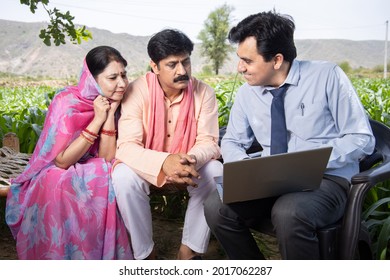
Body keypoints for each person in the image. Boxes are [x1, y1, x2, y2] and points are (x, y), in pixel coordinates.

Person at [204, 11, 376, 260]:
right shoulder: (246, 94)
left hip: (325, 180)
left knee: (289, 212)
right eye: (239, 59)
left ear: (276, 60)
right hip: (268, 180)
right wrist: (244, 168)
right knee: (215, 207)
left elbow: (361, 138)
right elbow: (232, 140)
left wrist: (307, 162)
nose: (240, 68)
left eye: (247, 61)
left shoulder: (327, 77)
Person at [5, 46, 133, 260]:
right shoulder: (66, 101)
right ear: (92, 79)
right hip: (55, 165)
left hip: (95, 165)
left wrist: (110, 114)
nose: (122, 83)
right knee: (58, 179)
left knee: (101, 175)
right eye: (113, 77)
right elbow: (61, 161)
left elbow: (106, 158)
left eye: (124, 75)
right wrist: (97, 119)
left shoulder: (121, 103)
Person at [112, 29, 222, 260]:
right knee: (122, 176)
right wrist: (164, 162)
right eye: (172, 65)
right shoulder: (136, 90)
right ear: (155, 66)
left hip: (189, 164)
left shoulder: (204, 92)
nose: (182, 71)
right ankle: (145, 254)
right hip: (148, 166)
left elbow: (209, 142)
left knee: (215, 171)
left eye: (186, 62)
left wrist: (185, 161)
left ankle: (188, 251)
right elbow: (127, 146)